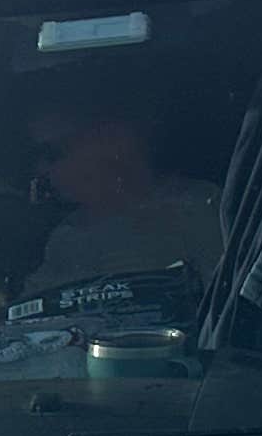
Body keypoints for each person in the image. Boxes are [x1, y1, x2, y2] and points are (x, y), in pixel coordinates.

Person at [21, 94, 222, 291]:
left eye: (54, 152)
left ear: (114, 140)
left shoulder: (201, 208)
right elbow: (26, 314)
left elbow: (226, 303)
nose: (42, 169)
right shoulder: (68, 237)